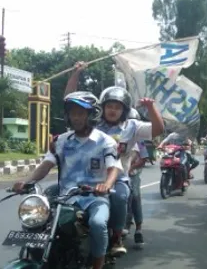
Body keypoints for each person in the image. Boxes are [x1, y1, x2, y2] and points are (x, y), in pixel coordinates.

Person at [12, 92, 121, 269]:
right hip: (65, 198)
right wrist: (27, 182)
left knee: (98, 223)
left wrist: (106, 185)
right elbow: (47, 164)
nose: (76, 117)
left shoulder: (105, 141)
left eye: (80, 113)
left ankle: (97, 266)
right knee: (36, 219)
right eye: (72, 113)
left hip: (94, 197)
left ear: (92, 115)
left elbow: (113, 167)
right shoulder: (62, 141)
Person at [64, 62, 165, 254]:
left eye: (117, 107)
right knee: (55, 196)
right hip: (86, 177)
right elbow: (70, 100)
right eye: (109, 106)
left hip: (117, 178)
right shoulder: (92, 123)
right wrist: (76, 74)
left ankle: (117, 236)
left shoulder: (132, 126)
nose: (112, 110)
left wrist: (151, 107)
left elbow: (158, 129)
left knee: (120, 197)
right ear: (102, 108)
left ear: (124, 110)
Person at [125, 141, 148, 249]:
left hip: (132, 174)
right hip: (113, 173)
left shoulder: (139, 142)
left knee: (134, 196)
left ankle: (138, 229)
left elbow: (143, 159)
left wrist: (131, 167)